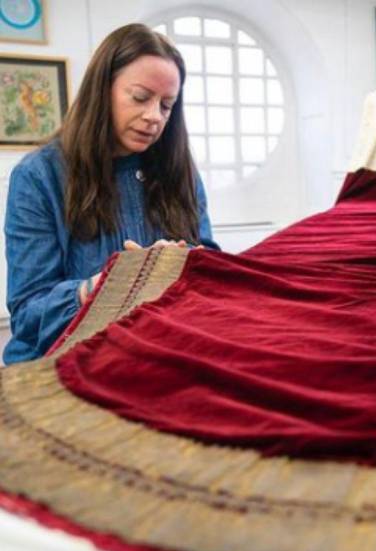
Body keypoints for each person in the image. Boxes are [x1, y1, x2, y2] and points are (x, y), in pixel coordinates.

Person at [4, 23, 218, 364]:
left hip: (155, 348)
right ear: (101, 90)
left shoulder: (180, 171)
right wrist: (106, 285)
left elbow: (211, 266)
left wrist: (182, 261)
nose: (153, 117)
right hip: (61, 359)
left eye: (166, 105)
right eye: (140, 97)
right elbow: (28, 315)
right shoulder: (38, 176)